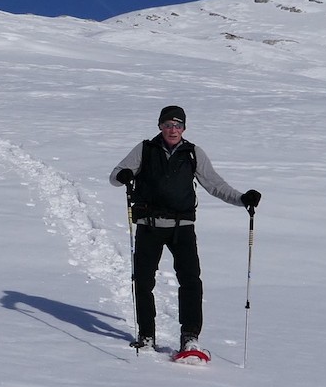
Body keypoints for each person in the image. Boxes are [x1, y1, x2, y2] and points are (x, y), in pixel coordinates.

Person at [108, 105, 261, 360]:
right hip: (149, 226)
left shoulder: (193, 153)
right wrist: (124, 175)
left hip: (183, 229)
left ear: (184, 129)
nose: (173, 130)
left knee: (191, 282)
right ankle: (146, 336)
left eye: (177, 125)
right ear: (160, 126)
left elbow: (215, 185)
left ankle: (190, 337)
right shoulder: (145, 149)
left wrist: (243, 198)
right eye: (168, 125)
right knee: (143, 281)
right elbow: (115, 176)